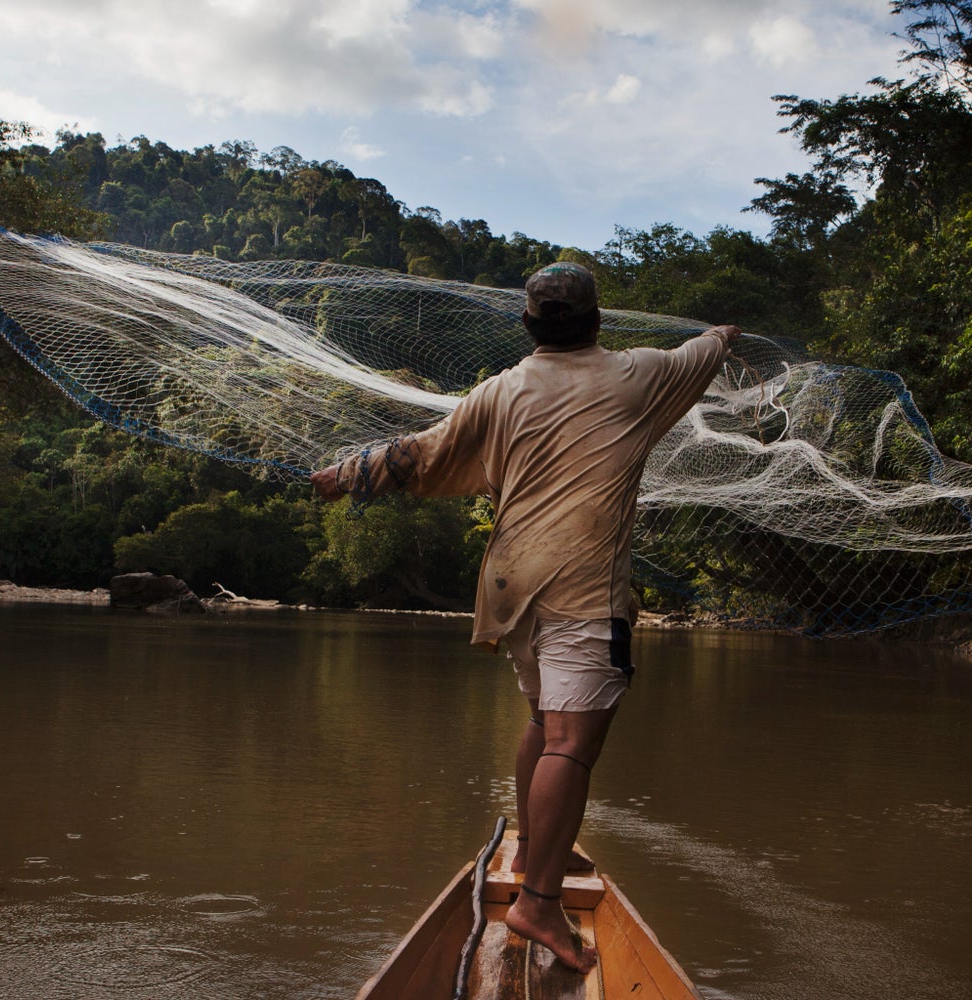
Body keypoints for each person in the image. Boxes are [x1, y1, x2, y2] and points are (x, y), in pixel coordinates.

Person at [311, 262, 738, 972]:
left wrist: (347, 475)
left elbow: (422, 454)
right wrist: (724, 332)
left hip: (511, 586)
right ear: (598, 321)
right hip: (582, 587)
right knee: (571, 744)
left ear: (528, 323)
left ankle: (543, 840)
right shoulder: (640, 375)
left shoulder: (501, 390)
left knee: (545, 724)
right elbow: (711, 345)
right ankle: (538, 899)